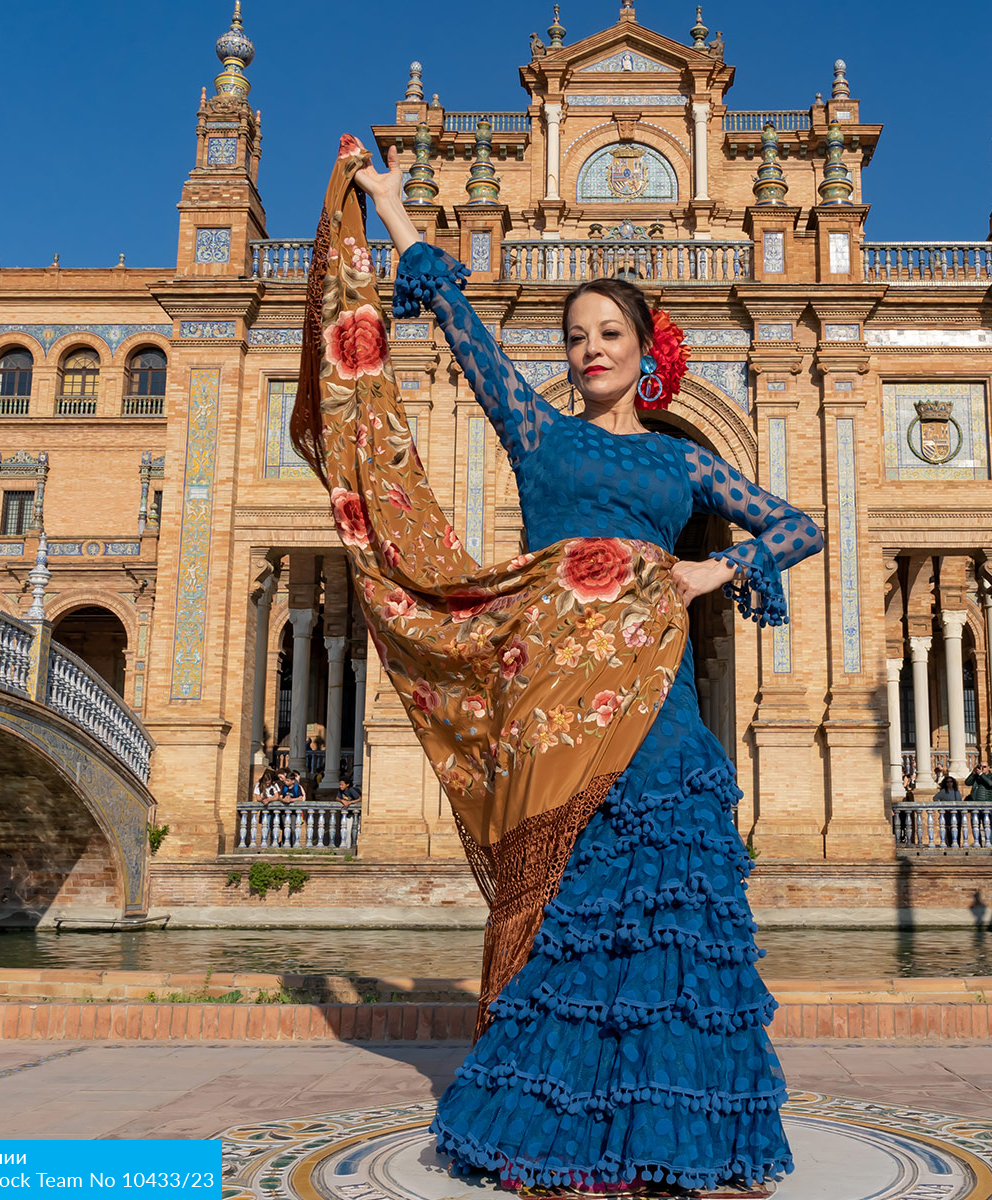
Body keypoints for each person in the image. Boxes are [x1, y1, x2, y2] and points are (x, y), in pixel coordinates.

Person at [323, 140, 817, 1194]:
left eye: (609, 333)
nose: (591, 347)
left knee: (670, 934)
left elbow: (797, 526)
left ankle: (672, 1138)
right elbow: (454, 316)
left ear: (647, 350)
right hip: (558, 713)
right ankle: (567, 1140)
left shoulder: (678, 459)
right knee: (575, 929)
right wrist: (388, 205)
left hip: (663, 720)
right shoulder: (535, 433)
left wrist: (704, 572)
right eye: (577, 335)